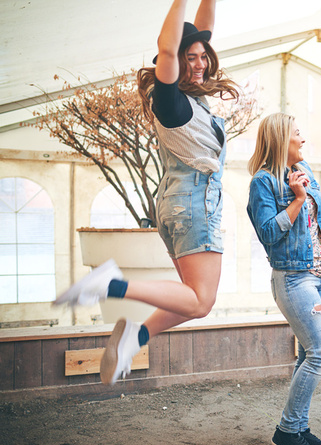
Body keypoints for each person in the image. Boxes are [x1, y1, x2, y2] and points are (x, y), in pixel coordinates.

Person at [53, 0, 240, 386]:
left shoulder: (189, 98)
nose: (200, 63)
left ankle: (133, 339)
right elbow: (168, 47)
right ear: (171, 61)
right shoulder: (169, 98)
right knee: (201, 301)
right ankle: (111, 285)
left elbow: (201, 30)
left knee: (190, 298)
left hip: (178, 203)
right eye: (191, 57)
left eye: (203, 56)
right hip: (193, 204)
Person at [247, 113, 321, 445]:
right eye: (297, 134)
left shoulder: (302, 168)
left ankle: (299, 428)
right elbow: (268, 233)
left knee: (310, 353)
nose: (303, 139)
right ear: (281, 139)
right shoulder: (263, 182)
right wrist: (296, 197)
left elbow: (308, 219)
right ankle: (286, 429)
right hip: (294, 278)